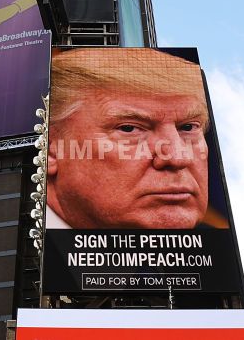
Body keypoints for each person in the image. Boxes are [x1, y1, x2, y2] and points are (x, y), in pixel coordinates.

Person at [46, 48, 210, 229]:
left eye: (188, 127)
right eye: (129, 128)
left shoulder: (217, 251)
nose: (178, 157)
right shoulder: (15, 247)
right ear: (50, 148)